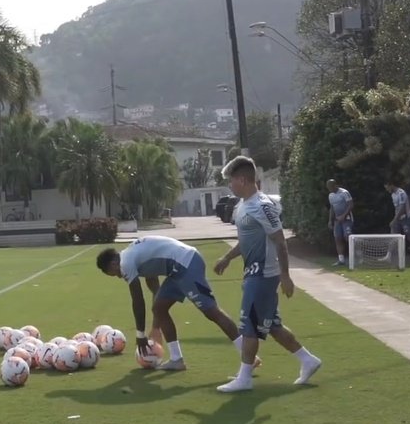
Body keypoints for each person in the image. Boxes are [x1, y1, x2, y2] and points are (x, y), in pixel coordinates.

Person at [212, 155, 321, 393]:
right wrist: (227, 258)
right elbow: (246, 241)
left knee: (249, 325)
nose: (229, 185)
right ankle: (308, 360)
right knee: (272, 325)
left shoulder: (262, 205)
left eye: (231, 181)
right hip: (253, 273)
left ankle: (244, 378)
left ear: (242, 179)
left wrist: (285, 275)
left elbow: (280, 241)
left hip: (263, 274)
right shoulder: (242, 206)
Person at [96, 235, 261, 370]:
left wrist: (140, 336)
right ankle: (177, 360)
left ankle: (249, 357)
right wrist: (155, 328)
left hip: (186, 264)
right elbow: (155, 289)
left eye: (114, 273)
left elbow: (138, 301)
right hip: (177, 269)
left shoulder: (125, 263)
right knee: (159, 308)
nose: (119, 276)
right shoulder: (133, 256)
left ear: (113, 263)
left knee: (212, 311)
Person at [384, 179, 410, 264]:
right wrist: (395, 220)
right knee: (393, 236)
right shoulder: (393, 195)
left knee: (409, 236)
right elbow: (396, 208)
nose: (387, 190)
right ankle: (388, 256)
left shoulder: (401, 193)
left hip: (406, 218)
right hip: (398, 219)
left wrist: (394, 220)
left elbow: (402, 209)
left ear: (391, 185)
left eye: (387, 188)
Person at [326, 179, 354, 266]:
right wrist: (330, 220)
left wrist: (344, 215)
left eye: (330, 187)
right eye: (328, 187)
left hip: (347, 218)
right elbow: (332, 208)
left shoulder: (344, 192)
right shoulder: (330, 195)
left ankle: (356, 256)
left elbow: (350, 205)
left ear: (335, 185)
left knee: (348, 237)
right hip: (337, 220)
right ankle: (341, 260)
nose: (329, 189)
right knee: (338, 238)